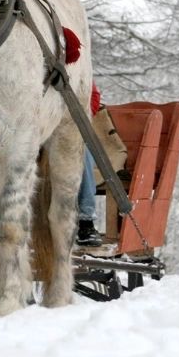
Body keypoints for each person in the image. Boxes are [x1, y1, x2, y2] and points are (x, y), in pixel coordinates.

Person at [76, 83, 102, 247]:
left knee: (81, 150)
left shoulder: (79, 65)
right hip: (35, 127)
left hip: (70, 125)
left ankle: (85, 222)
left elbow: (93, 96)